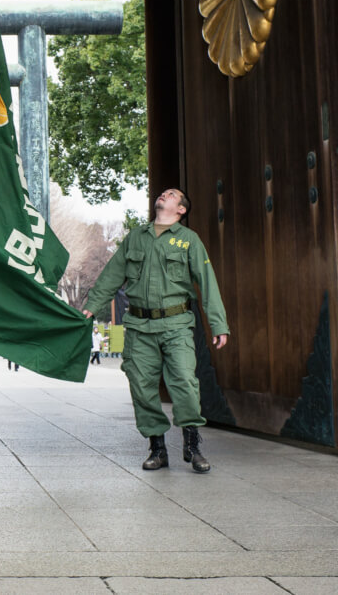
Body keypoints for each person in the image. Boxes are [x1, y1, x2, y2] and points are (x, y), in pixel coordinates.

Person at [84, 188, 230, 473]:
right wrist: (92, 305)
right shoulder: (136, 237)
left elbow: (207, 281)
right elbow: (112, 273)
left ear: (181, 210)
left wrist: (219, 323)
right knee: (141, 387)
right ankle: (158, 449)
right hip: (139, 326)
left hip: (176, 325)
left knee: (185, 383)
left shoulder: (189, 240)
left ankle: (192, 444)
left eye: (172, 194)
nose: (165, 194)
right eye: (164, 192)